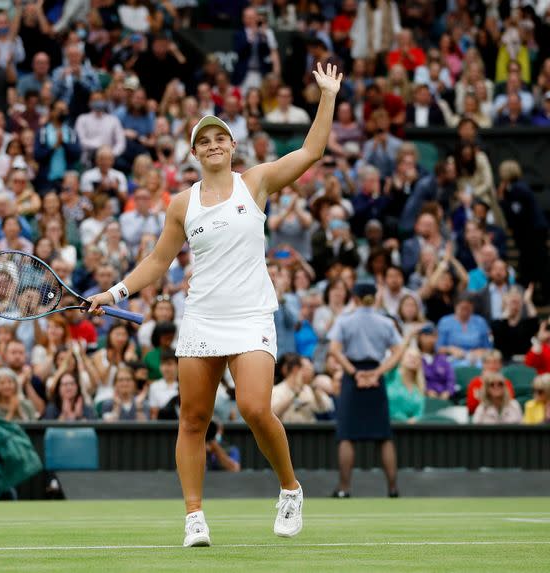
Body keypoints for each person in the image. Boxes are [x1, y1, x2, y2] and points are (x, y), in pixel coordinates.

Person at [87, 63, 344, 546]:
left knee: (253, 407)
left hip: (251, 316)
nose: (212, 146)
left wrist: (327, 95)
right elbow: (159, 260)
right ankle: (193, 517)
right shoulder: (181, 204)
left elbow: (313, 151)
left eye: (219, 139)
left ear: (231, 147)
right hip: (202, 317)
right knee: (193, 419)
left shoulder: (258, 182)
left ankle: (290, 489)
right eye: (203, 141)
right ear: (194, 152)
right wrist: (114, 292)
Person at [328, 283, 405, 498]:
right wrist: (378, 372)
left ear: (355, 298)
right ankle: (393, 488)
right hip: (374, 377)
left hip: (354, 379)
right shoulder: (386, 322)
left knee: (346, 435)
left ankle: (344, 488)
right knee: (383, 435)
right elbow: (398, 352)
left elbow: (334, 350)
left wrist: (354, 373)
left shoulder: (345, 321)